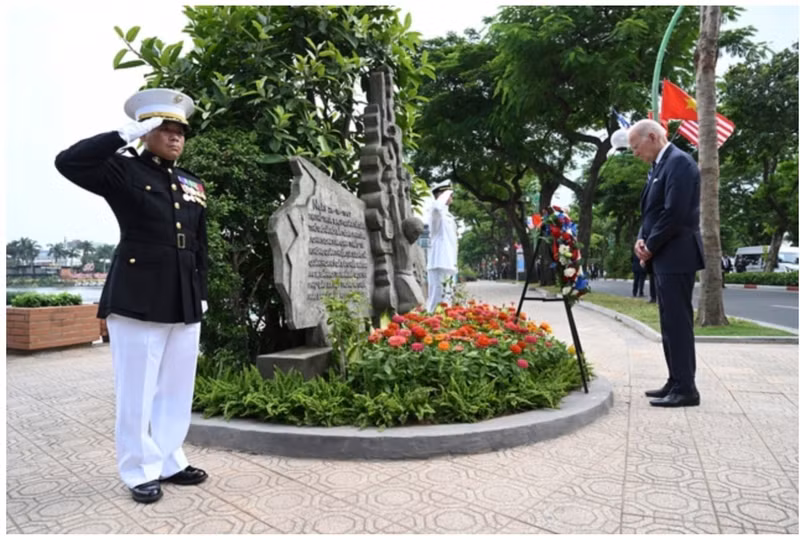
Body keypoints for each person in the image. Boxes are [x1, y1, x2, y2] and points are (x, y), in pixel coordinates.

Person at [54, 88, 209, 503]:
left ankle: (171, 459)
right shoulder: (122, 172)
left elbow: (200, 244)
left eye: (180, 131)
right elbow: (68, 162)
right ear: (147, 131)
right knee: (137, 388)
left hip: (184, 297)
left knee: (178, 387)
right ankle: (139, 468)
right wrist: (124, 134)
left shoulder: (192, 182)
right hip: (139, 296)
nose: (175, 137)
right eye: (165, 129)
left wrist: (202, 291)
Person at [629, 119, 705, 408]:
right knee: (668, 323)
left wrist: (650, 244)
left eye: (637, 147)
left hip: (678, 254)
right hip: (663, 255)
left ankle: (687, 388)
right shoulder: (659, 166)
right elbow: (651, 210)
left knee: (678, 323)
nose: (636, 154)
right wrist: (641, 238)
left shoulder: (680, 163)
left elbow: (675, 212)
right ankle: (675, 380)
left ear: (651, 136)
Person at [426, 180, 458, 312]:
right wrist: (445, 194)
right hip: (439, 262)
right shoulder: (436, 213)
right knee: (436, 299)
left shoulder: (448, 216)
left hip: (448, 262)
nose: (451, 197)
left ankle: (444, 329)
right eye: (449, 194)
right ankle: (428, 323)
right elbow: (437, 207)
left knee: (447, 300)